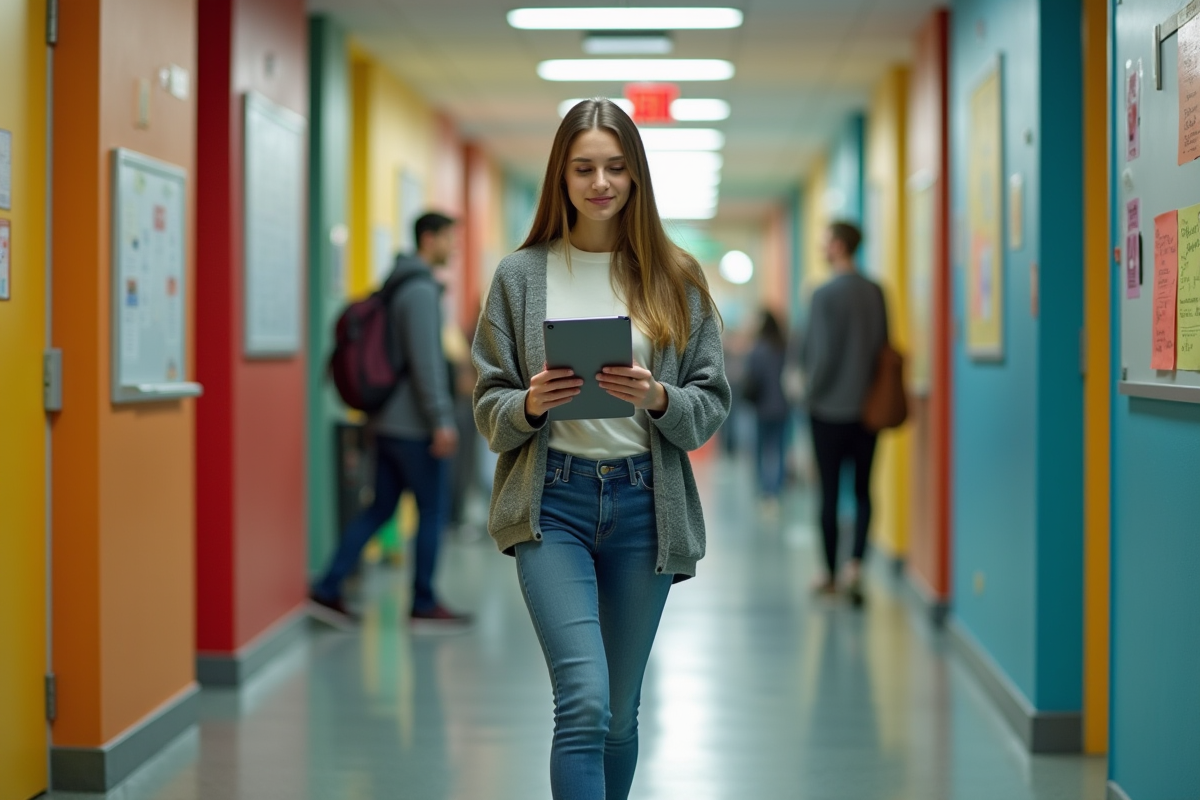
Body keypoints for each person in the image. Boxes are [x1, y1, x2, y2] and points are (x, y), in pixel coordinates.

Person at [471, 98, 730, 800]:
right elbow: (488, 406)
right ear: (562, 176)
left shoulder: (676, 280)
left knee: (618, 715)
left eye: (616, 167)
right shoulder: (520, 277)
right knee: (583, 701)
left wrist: (658, 398)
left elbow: (709, 406)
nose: (600, 183)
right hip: (551, 501)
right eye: (584, 167)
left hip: (647, 507)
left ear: (637, 177)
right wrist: (527, 402)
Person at [311, 211, 471, 630]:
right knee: (432, 511)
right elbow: (426, 362)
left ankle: (327, 588)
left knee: (380, 506)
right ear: (430, 239)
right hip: (414, 427)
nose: (454, 248)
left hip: (386, 422)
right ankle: (423, 600)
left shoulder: (396, 282)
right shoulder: (420, 291)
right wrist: (441, 420)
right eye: (450, 239)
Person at [800, 221, 888, 605]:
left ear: (837, 246)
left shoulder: (822, 294)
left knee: (830, 493)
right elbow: (884, 347)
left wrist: (809, 393)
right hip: (869, 409)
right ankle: (856, 566)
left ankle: (830, 575)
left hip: (828, 409)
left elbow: (822, 356)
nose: (822, 245)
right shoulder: (876, 292)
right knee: (864, 490)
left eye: (824, 240)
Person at [743, 308, 789, 514]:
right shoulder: (784, 348)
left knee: (760, 450)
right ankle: (775, 492)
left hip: (762, 408)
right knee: (779, 450)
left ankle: (763, 491)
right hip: (783, 407)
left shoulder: (758, 349)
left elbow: (752, 376)